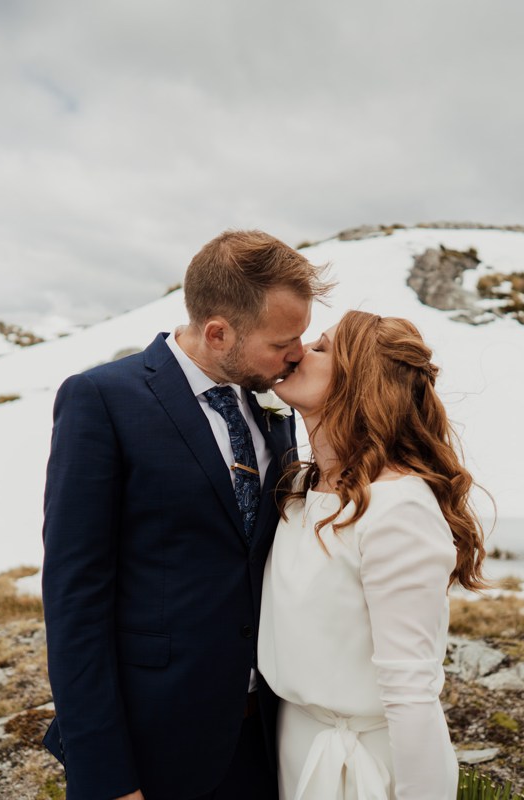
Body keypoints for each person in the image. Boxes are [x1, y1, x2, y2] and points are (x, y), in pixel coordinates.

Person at [41, 230, 333, 800]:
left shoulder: (272, 405)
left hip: (268, 735)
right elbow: (75, 597)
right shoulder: (102, 400)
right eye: (282, 341)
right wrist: (105, 775)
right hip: (154, 742)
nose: (295, 353)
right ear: (219, 331)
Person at [259, 310, 488, 800]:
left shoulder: (398, 506)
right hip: (294, 747)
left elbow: (411, 690)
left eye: (322, 348)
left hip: (366, 769)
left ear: (360, 381)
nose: (299, 350)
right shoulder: (300, 487)